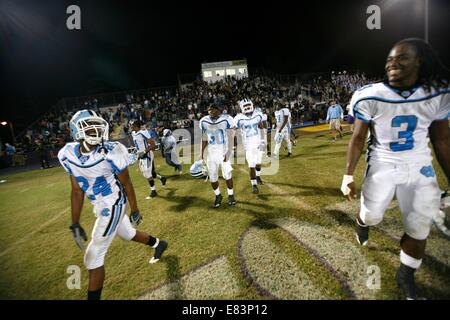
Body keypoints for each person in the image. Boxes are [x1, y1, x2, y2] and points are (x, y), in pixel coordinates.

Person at [341, 38, 450, 300]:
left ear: (419, 61)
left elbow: (442, 139)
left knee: (418, 226)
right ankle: (362, 222)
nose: (393, 63)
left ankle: (405, 274)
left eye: (401, 58)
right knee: (372, 215)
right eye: (390, 59)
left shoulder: (436, 93)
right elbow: (357, 138)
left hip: (419, 165)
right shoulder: (371, 94)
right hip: (382, 164)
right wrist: (347, 174)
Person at [58, 110, 168, 300]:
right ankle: (159, 243)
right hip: (99, 205)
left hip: (114, 203)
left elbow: (126, 182)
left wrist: (134, 209)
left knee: (93, 256)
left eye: (97, 125)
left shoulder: (110, 151)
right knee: (128, 234)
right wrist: (75, 222)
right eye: (89, 126)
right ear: (77, 129)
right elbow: (77, 190)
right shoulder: (68, 154)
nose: (95, 130)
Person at [199, 105, 236, 208]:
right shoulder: (204, 121)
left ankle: (231, 195)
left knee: (227, 175)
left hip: (223, 150)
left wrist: (229, 151)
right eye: (209, 109)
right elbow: (204, 138)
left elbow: (231, 136)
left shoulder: (226, 119)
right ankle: (218, 195)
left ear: (218, 110)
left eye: (213, 109)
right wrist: (201, 152)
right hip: (211, 152)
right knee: (213, 176)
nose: (210, 111)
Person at [234, 99, 266, 194]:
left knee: (259, 162)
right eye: (245, 105)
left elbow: (261, 126)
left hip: (258, 143)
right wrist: (233, 145)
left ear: (252, 105)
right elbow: (233, 131)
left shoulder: (257, 114)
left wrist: (263, 141)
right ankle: (254, 185)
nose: (247, 107)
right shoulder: (238, 118)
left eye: (249, 105)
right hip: (248, 145)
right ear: (241, 107)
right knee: (251, 165)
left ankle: (258, 176)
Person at [131, 120, 167, 199]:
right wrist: (137, 153)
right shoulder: (133, 133)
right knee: (149, 173)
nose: (131, 127)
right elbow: (138, 145)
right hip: (141, 155)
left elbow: (153, 145)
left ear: (136, 126)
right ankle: (162, 178)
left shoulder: (143, 132)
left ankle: (153, 191)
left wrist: (143, 152)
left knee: (147, 172)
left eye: (132, 125)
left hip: (147, 154)